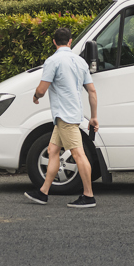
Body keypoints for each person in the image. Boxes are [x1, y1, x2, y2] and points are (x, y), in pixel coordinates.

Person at [24, 27, 100, 208]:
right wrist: (94, 117)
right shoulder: (80, 62)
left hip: (65, 117)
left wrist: (35, 96)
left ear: (53, 42)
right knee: (52, 150)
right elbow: (92, 91)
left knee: (78, 154)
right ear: (70, 41)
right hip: (66, 116)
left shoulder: (53, 61)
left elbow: (42, 90)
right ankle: (43, 192)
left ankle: (88, 196)